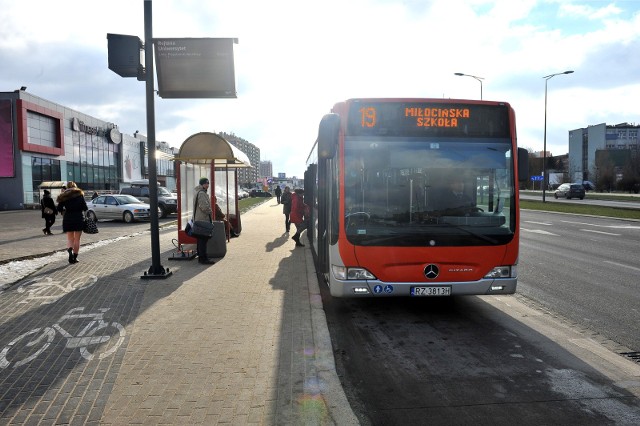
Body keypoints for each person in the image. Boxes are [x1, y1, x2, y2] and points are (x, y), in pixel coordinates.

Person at [56, 181, 88, 264]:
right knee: (77, 240)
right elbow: (85, 207)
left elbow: (59, 208)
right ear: (75, 186)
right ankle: (75, 257)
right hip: (78, 218)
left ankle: (70, 250)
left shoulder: (64, 196)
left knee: (70, 239)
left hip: (68, 218)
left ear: (67, 187)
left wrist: (64, 211)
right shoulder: (80, 195)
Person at [194, 177, 215, 264]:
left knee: (200, 239)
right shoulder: (202, 193)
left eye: (208, 183)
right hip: (203, 219)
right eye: (206, 183)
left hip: (199, 219)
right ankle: (203, 258)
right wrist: (210, 211)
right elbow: (204, 206)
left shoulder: (199, 192)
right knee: (203, 240)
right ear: (201, 184)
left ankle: (201, 256)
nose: (207, 185)